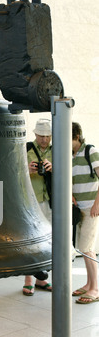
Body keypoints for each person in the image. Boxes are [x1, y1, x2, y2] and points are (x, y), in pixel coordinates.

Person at [22, 118, 53, 296]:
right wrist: (28, 169)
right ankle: (28, 280)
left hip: (48, 200)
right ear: (35, 134)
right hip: (30, 200)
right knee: (30, 241)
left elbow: (67, 171)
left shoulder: (57, 150)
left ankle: (42, 279)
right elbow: (15, 171)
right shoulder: (26, 149)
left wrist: (53, 167)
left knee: (47, 240)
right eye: (41, 136)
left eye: (47, 136)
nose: (44, 140)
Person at [72, 122, 99, 304]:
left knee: (87, 248)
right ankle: (88, 284)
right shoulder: (70, 156)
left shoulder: (91, 151)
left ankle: (95, 288)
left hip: (91, 207)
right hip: (78, 208)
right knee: (83, 247)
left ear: (76, 136)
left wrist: (97, 204)